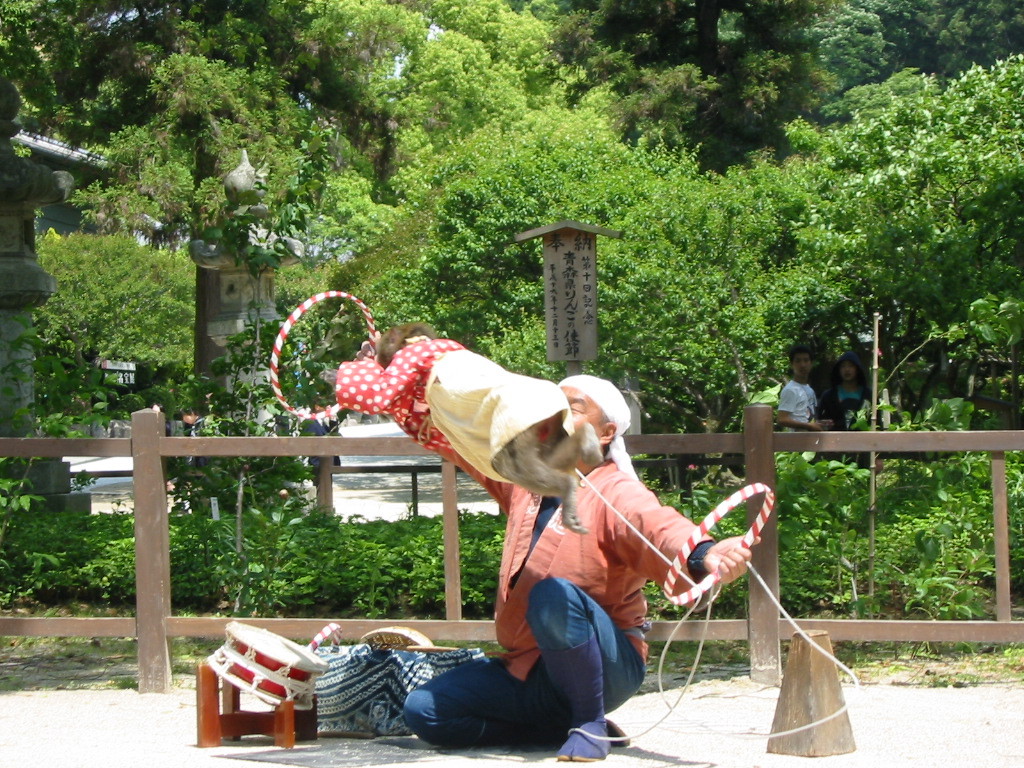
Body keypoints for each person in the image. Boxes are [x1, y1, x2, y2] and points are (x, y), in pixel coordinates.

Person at [402, 374, 755, 762]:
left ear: (605, 433)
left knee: (553, 594)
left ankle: (588, 722)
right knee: (425, 710)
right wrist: (409, 384)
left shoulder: (618, 491)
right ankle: (554, 728)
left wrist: (704, 552)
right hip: (527, 666)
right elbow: (465, 442)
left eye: (573, 408)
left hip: (606, 665)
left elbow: (660, 527)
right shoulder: (527, 479)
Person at [776, 344, 825, 432]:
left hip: (810, 442)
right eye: (798, 361)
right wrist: (809, 426)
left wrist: (820, 423)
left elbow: (808, 417)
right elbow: (782, 419)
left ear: (811, 363)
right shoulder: (790, 390)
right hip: (795, 443)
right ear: (792, 364)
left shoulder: (810, 390)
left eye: (806, 360)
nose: (802, 365)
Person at [818, 351, 871, 431]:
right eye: (843, 366)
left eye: (851, 366)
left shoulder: (868, 395)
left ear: (857, 368)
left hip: (863, 441)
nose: (847, 369)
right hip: (835, 441)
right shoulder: (829, 396)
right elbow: (820, 421)